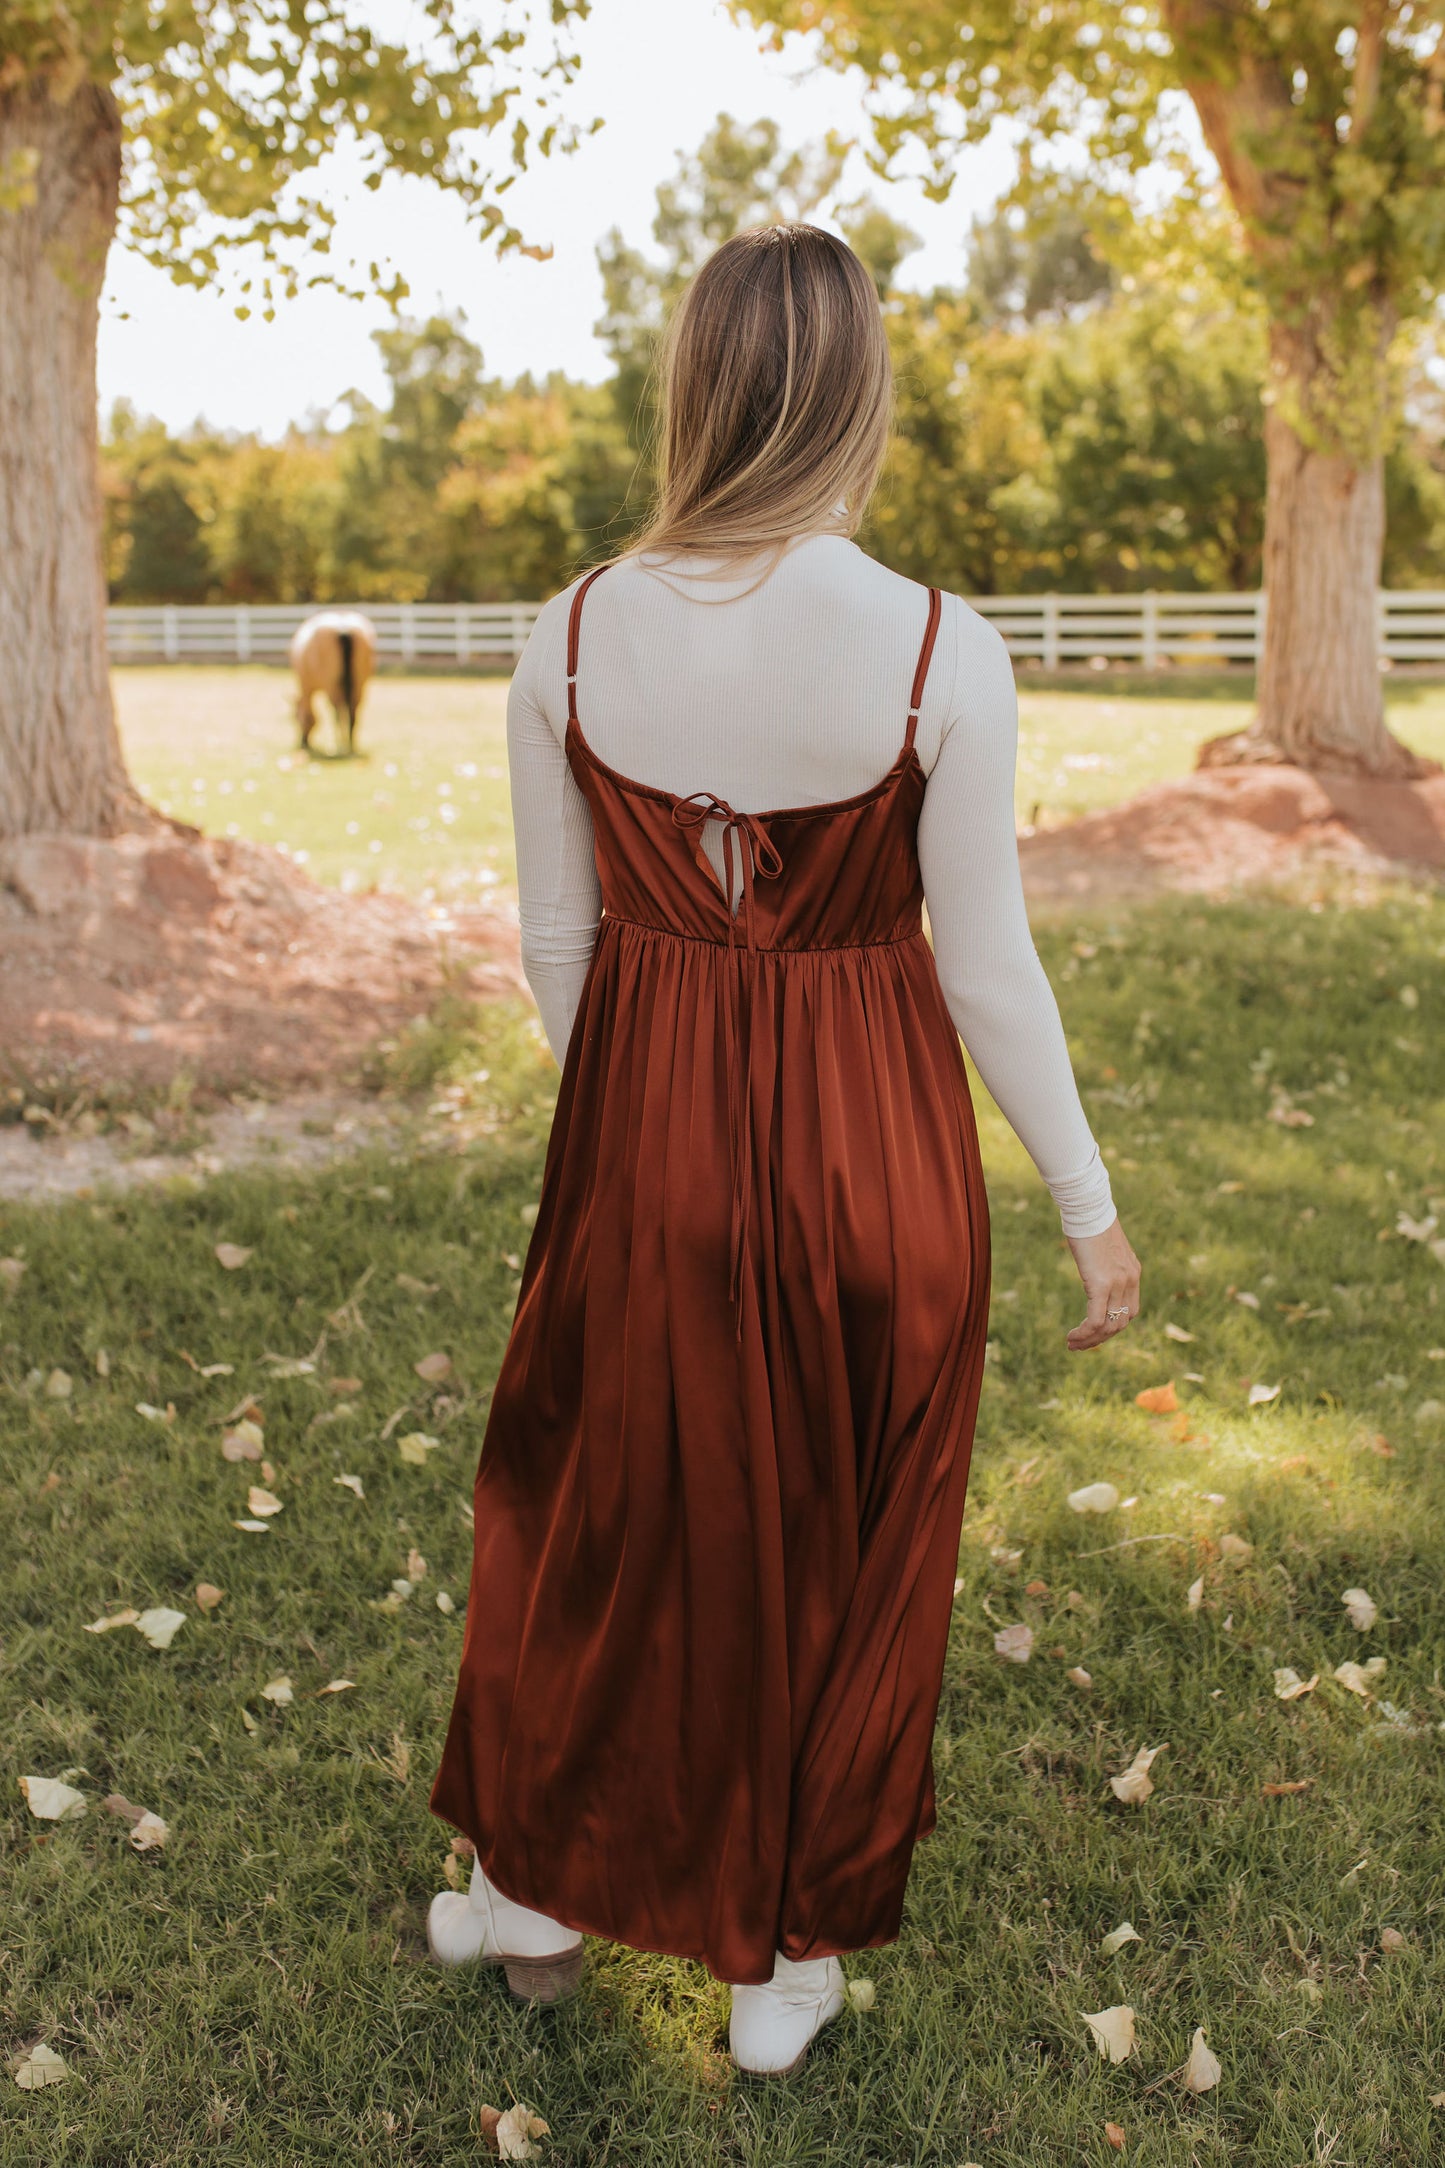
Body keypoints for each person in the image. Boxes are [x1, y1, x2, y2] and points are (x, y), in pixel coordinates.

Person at [428, 223, 1141, 2077]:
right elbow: (982, 961)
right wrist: (1085, 1203)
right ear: (855, 395)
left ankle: (536, 1902)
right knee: (844, 1545)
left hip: (640, 1167)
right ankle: (782, 1968)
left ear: (692, 384)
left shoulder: (569, 634)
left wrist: (657, 1135)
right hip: (880, 1164)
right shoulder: (938, 649)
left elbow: (556, 945)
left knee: (597, 1521)